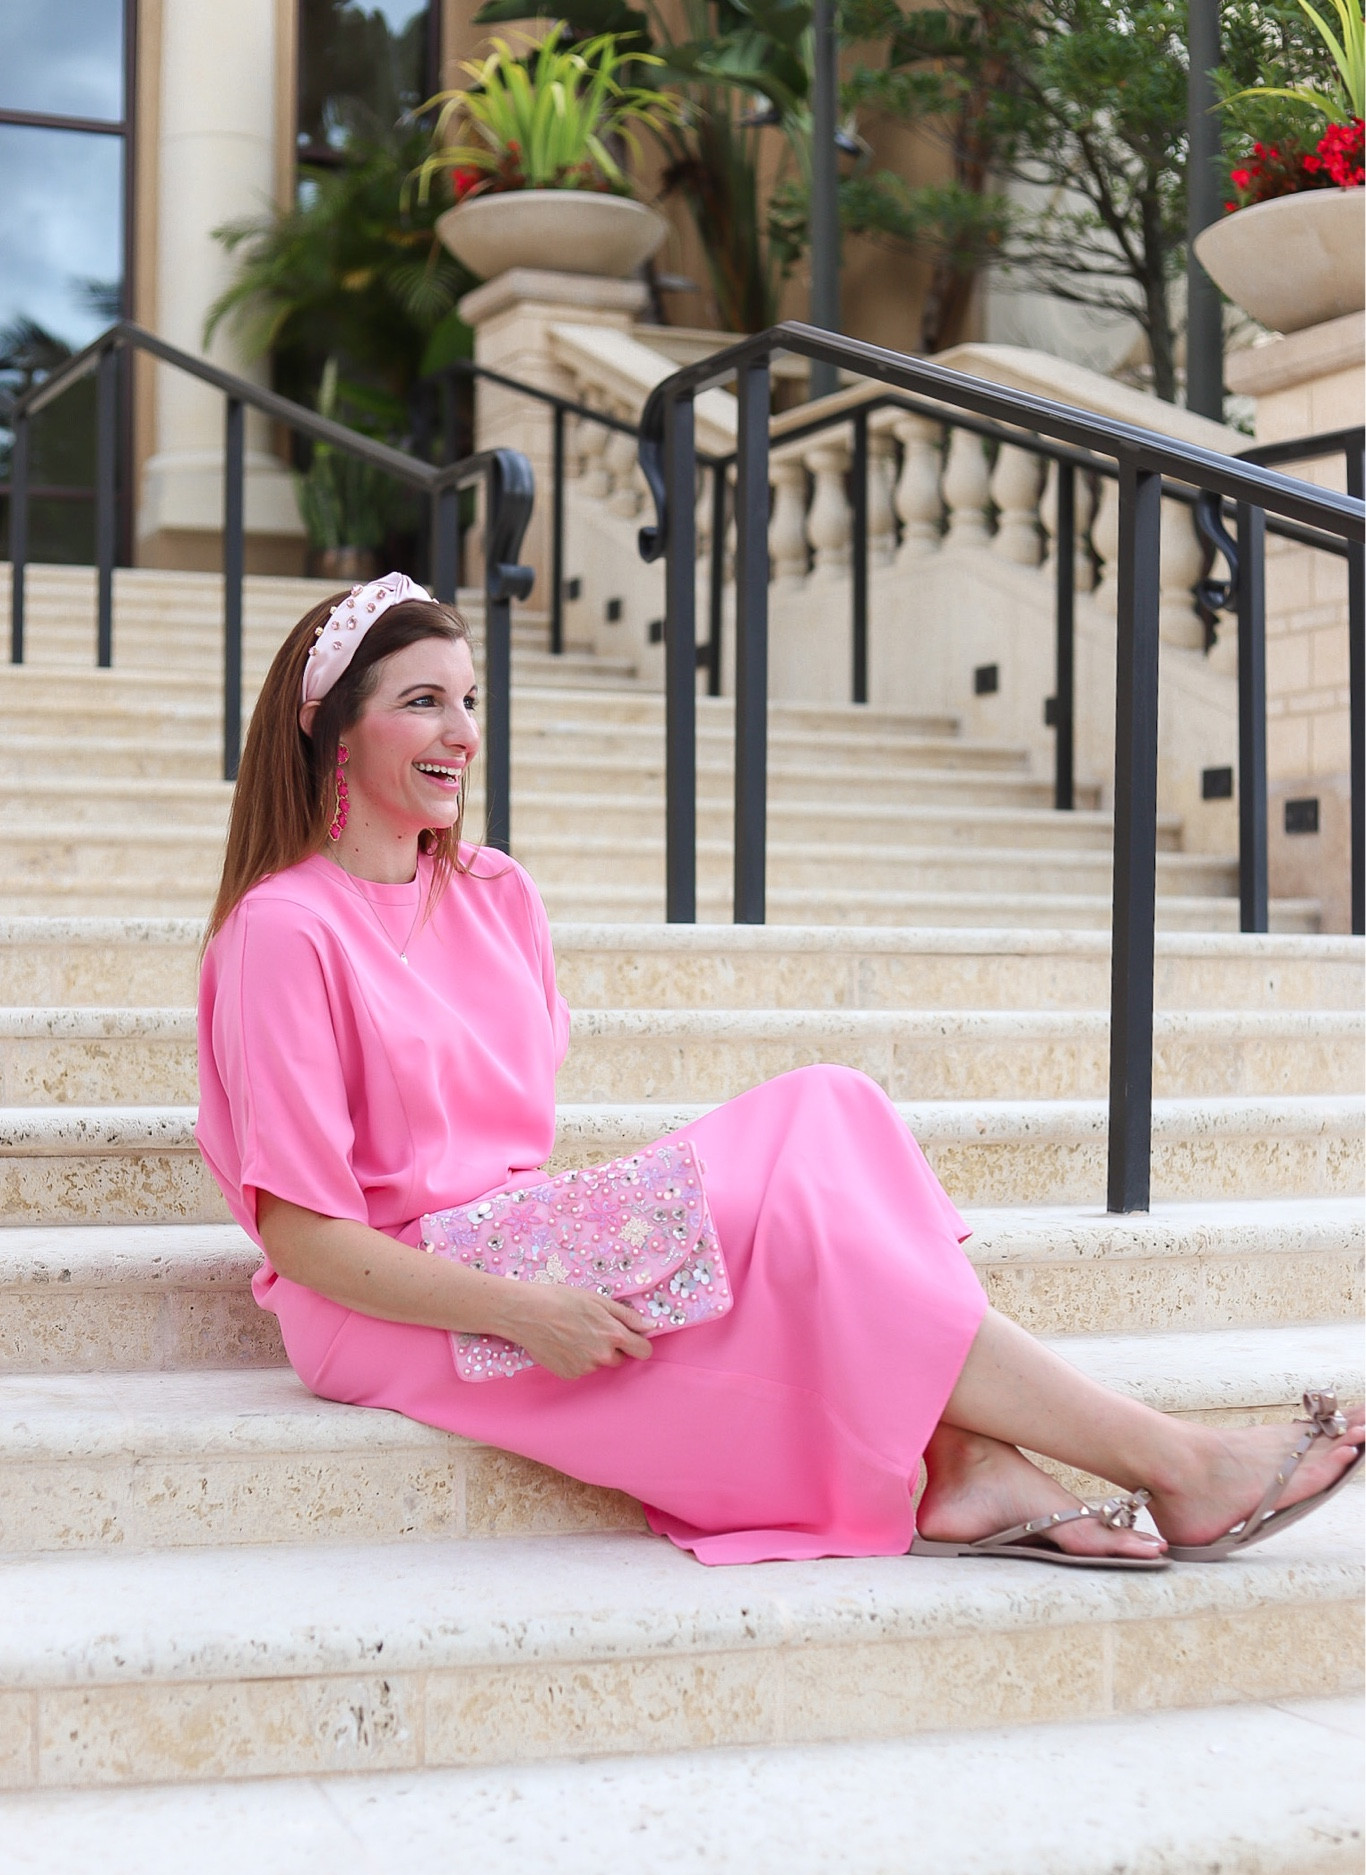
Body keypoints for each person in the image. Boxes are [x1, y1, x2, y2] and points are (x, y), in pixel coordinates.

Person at [196, 575, 1362, 1568]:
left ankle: (970, 1456)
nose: (461, 730)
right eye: (422, 702)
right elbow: (304, 1235)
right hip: (392, 1297)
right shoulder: (283, 930)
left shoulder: (495, 893)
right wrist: (522, 1306)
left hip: (520, 1230)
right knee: (783, 1224)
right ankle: (1171, 1458)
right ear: (333, 729)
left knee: (833, 1107)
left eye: (468, 700)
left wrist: (550, 1252)